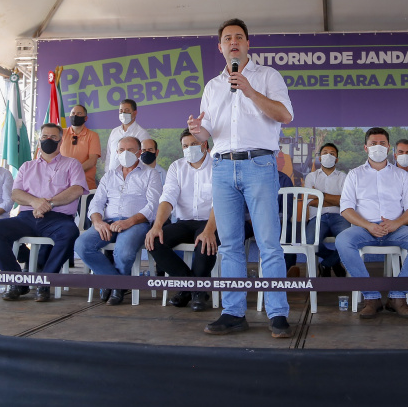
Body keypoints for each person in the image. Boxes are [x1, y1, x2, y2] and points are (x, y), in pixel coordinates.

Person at [187, 18, 294, 338]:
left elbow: (285, 115)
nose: (233, 42)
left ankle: (277, 313)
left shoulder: (267, 76)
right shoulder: (212, 86)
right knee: (230, 245)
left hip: (259, 165)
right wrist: (198, 132)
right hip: (221, 167)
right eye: (227, 38)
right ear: (219, 47)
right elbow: (211, 134)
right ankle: (233, 312)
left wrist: (248, 90)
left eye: (239, 37)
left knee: (268, 244)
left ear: (248, 44)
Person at [0, 123, 87, 302]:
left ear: (61, 141)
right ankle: (16, 280)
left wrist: (49, 204)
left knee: (70, 233)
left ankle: (44, 281)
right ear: (39, 140)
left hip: (58, 218)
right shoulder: (27, 166)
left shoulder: (72, 164)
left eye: (53, 137)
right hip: (27, 218)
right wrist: (35, 202)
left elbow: (76, 189)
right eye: (45, 136)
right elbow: (16, 193)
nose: (49, 140)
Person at [335, 127, 408, 319]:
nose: (377, 147)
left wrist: (396, 224)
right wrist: (368, 225)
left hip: (395, 229)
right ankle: (371, 297)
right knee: (342, 240)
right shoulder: (354, 174)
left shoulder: (401, 175)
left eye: (382, 144)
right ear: (365, 148)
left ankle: (398, 296)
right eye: (373, 144)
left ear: (389, 148)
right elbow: (346, 209)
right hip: (365, 228)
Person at [75, 136, 162, 306]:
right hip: (107, 222)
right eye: (122, 150)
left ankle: (111, 285)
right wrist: (98, 222)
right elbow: (96, 203)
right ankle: (117, 284)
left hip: (136, 223)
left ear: (139, 153)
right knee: (82, 245)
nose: (125, 153)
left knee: (123, 253)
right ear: (116, 152)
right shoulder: (109, 175)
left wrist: (128, 222)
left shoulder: (151, 174)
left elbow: (153, 206)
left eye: (130, 150)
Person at [145, 129, 217, 311]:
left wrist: (208, 230)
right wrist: (157, 225)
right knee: (154, 240)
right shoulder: (177, 167)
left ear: (204, 144)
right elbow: (167, 198)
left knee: (204, 242)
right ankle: (193, 287)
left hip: (211, 221)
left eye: (193, 144)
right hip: (184, 222)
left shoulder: (217, 165)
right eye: (185, 146)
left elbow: (221, 202)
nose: (189, 149)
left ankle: (192, 291)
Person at [301, 143, 349, 277]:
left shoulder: (343, 177)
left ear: (337, 159)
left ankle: (326, 263)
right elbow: (311, 201)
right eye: (325, 153)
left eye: (332, 154)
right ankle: (333, 261)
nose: (328, 156)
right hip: (317, 217)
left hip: (339, 217)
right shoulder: (311, 176)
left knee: (349, 240)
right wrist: (334, 199)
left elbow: (344, 201)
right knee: (309, 242)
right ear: (320, 158)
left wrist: (321, 195)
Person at [61, 104, 102, 192]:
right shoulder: (61, 133)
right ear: (69, 116)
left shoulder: (93, 135)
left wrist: (72, 172)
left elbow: (92, 161)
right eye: (73, 113)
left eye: (79, 113)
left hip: (85, 185)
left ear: (85, 118)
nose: (75, 115)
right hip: (62, 185)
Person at [106, 99, 151, 172]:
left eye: (127, 110)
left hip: (135, 176)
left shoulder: (142, 133)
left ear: (135, 113)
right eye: (121, 111)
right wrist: (107, 172)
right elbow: (109, 155)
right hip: (113, 176)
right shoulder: (114, 132)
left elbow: (144, 159)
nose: (123, 113)